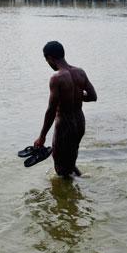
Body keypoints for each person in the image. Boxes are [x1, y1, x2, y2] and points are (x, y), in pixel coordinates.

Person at [33, 41, 97, 177]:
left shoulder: (57, 78)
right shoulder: (80, 73)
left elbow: (51, 110)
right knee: (70, 158)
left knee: (60, 167)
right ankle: (80, 181)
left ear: (50, 58)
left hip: (65, 125)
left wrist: (42, 136)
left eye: (46, 60)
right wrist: (78, 95)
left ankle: (68, 195)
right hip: (79, 123)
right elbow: (92, 96)